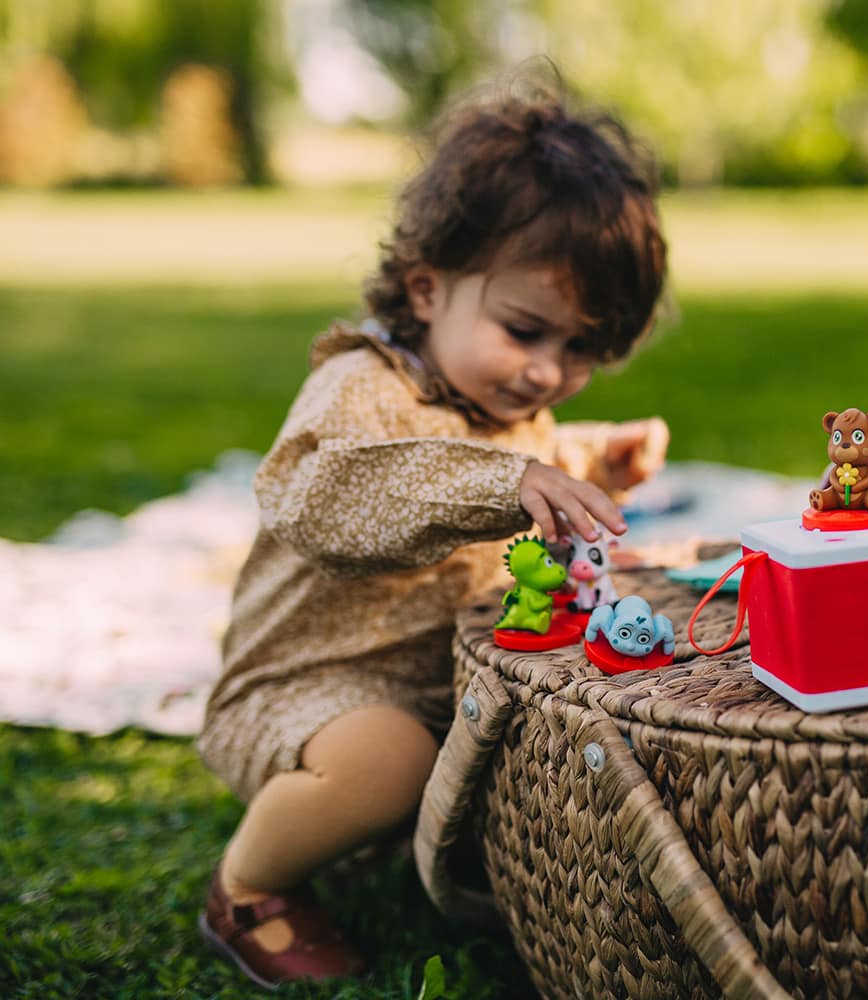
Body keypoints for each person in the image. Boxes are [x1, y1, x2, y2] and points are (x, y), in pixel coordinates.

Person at [194, 76, 669, 988]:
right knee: (390, 760)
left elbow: (518, 452)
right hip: (305, 687)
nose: (545, 373)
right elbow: (343, 496)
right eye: (526, 330)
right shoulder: (362, 389)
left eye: (580, 351)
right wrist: (513, 479)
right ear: (427, 288)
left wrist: (593, 460)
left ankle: (415, 838)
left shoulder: (497, 402)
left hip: (442, 685)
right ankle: (248, 887)